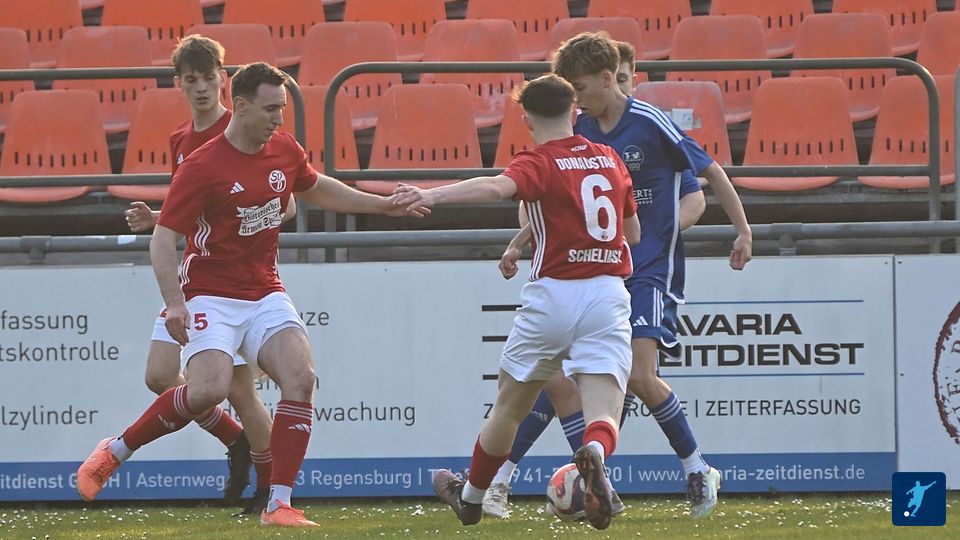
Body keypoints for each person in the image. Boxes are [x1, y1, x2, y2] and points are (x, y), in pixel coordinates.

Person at [78, 61, 427, 528]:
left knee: (300, 377)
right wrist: (176, 302)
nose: (278, 119)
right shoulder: (201, 165)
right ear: (240, 106)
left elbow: (316, 187)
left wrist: (382, 206)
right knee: (208, 390)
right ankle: (116, 450)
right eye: (270, 109)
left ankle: (278, 503)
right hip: (209, 293)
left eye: (282, 109)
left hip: (264, 291)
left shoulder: (283, 148)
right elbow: (162, 239)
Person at [492, 32, 753, 520]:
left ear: (608, 79)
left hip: (649, 268)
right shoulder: (581, 128)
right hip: (598, 273)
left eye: (579, 88)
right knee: (558, 379)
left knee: (636, 375)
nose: (574, 99)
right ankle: (517, 482)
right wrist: (519, 241)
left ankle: (698, 468)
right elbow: (561, 196)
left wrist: (743, 231)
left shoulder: (649, 122)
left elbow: (711, 172)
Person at [393, 74, 641, 531]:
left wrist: (431, 194)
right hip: (607, 292)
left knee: (509, 406)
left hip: (554, 294)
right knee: (604, 408)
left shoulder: (538, 161)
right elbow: (634, 234)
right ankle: (592, 453)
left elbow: (494, 188)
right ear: (575, 112)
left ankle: (471, 498)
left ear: (525, 118)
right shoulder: (610, 158)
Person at [122, 35, 281, 516]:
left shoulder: (248, 127)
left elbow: (282, 201)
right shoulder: (181, 139)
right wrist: (159, 219)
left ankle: (269, 487)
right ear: (179, 84)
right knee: (159, 376)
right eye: (191, 80)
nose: (202, 88)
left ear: (224, 80)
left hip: (237, 280)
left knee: (240, 390)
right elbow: (192, 209)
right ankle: (235, 440)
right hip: (195, 276)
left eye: (209, 78)